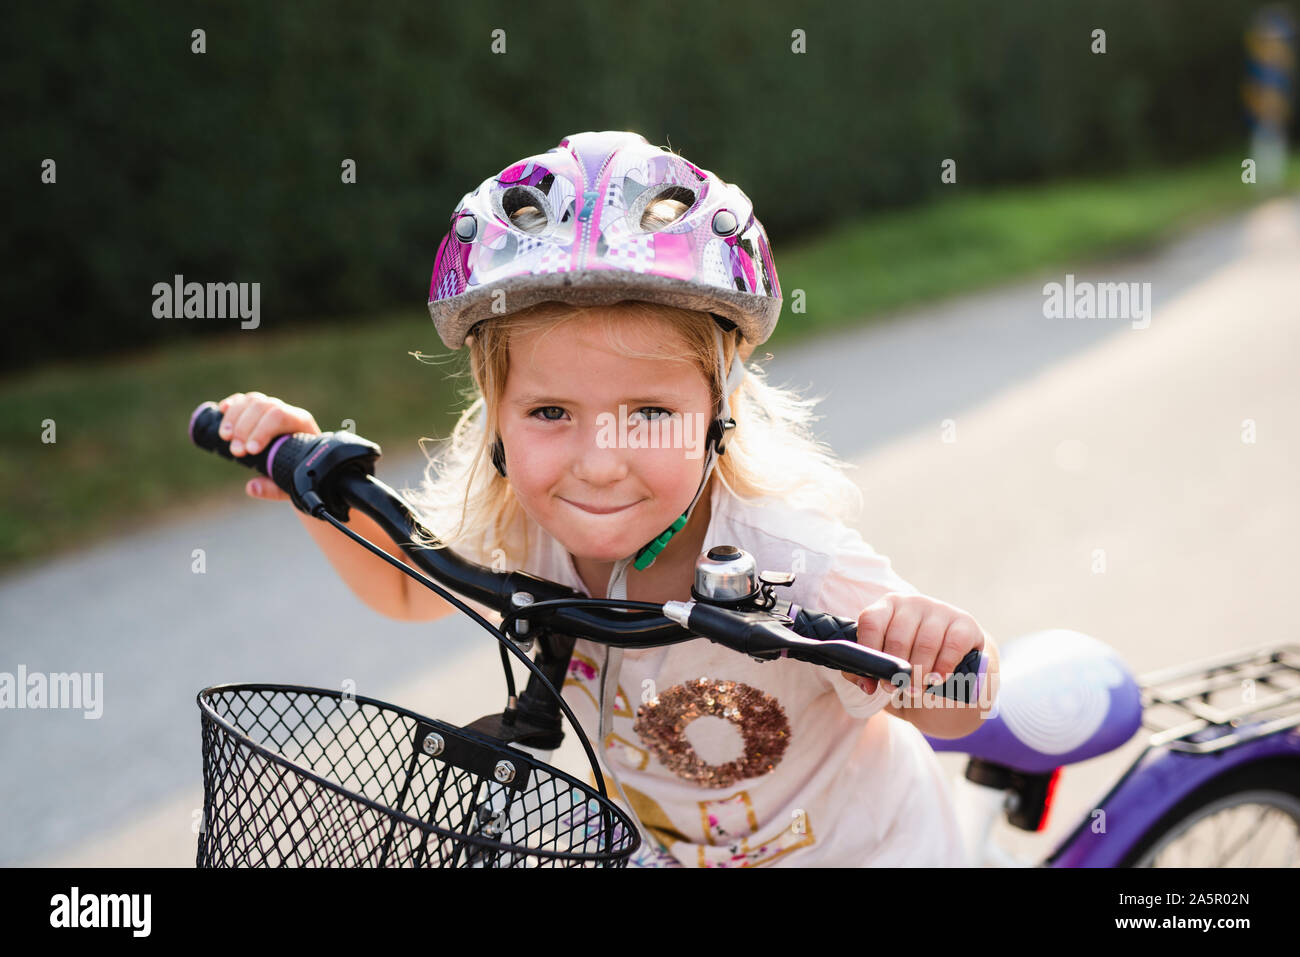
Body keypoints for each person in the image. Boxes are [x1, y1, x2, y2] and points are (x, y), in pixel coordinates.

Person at [218, 131, 999, 867]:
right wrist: (312, 480)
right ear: (495, 414)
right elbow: (402, 584)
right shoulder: (528, 532)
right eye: (550, 413)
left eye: (651, 415)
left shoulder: (795, 561)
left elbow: (959, 709)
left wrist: (935, 649)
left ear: (717, 414)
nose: (598, 464)